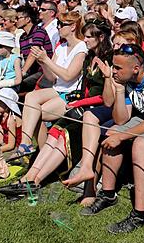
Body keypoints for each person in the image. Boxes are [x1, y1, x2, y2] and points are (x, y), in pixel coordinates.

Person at [84, 45, 144, 236]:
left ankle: (140, 213)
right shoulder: (127, 79)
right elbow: (121, 119)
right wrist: (119, 90)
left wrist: (123, 135)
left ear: (136, 68)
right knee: (112, 132)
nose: (113, 71)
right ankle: (108, 193)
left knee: (140, 145)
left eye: (118, 68)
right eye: (113, 66)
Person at [11, 11, 87, 158]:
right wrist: (42, 61)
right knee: (31, 97)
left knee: (36, 114)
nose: (58, 27)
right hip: (57, 88)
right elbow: (52, 78)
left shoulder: (81, 48)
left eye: (62, 25)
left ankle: (40, 154)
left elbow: (68, 75)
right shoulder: (61, 47)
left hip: (71, 93)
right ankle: (26, 144)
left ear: (73, 27)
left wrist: (46, 60)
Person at [15, 6, 54, 92]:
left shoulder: (39, 31)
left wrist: (23, 72)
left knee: (20, 86)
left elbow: (34, 53)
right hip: (31, 72)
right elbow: (23, 57)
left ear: (28, 19)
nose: (15, 21)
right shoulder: (22, 37)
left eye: (18, 18)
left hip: (44, 71)